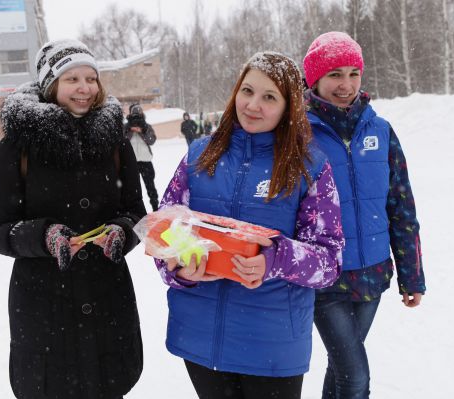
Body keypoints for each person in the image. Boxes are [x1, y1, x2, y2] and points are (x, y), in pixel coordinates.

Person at [153, 52, 345, 399]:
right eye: (247, 91)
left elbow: (329, 263)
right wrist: (180, 268)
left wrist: (274, 259)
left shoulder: (309, 167)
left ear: (289, 107)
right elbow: (164, 227)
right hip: (200, 337)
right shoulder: (200, 154)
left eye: (269, 97)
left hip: (272, 346)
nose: (253, 105)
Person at [0, 39, 147, 399]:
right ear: (50, 84)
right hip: (44, 306)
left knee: (108, 385)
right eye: (72, 79)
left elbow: (136, 211)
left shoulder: (114, 140)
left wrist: (122, 232)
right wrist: (43, 237)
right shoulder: (18, 145)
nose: (85, 88)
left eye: (91, 78)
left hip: (107, 297)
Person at [302, 31, 426, 399]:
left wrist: (412, 276)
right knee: (355, 377)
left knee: (340, 367)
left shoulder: (381, 131)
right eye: (335, 74)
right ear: (315, 79)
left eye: (353, 73)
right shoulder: (298, 135)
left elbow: (401, 207)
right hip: (325, 277)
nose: (346, 84)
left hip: (372, 275)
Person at [124, 103, 159, 211]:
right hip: (131, 162)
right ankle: (136, 211)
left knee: (150, 186)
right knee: (132, 188)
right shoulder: (126, 126)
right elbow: (122, 141)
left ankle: (155, 208)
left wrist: (142, 131)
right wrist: (129, 130)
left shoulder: (146, 126)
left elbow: (152, 140)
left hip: (146, 161)